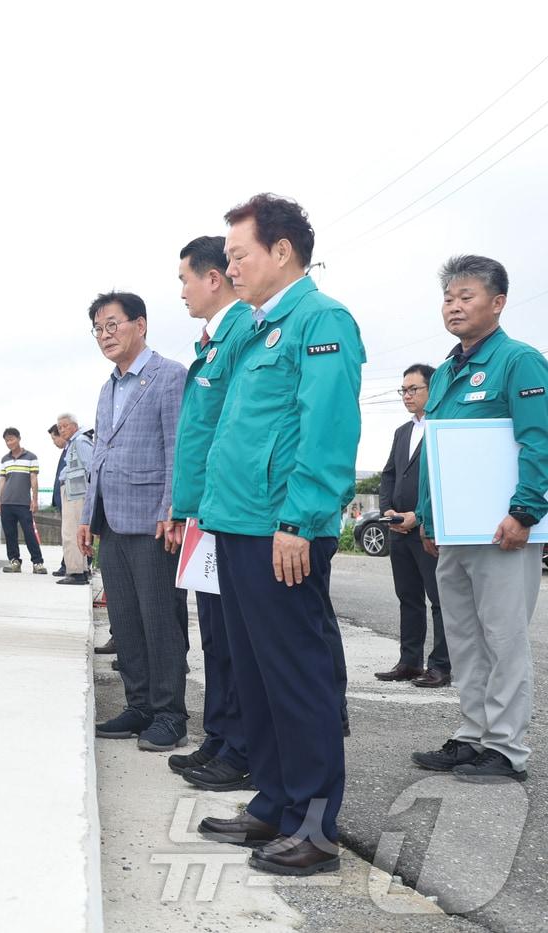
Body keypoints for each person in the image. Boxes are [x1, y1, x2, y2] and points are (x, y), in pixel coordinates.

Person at [194, 194, 364, 877]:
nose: (230, 266)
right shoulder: (259, 328)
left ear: (282, 251)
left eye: (239, 254)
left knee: (297, 677)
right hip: (236, 526)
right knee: (257, 676)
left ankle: (316, 826)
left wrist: (300, 519)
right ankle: (274, 798)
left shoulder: (320, 320)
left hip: (280, 531)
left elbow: (325, 428)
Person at [411, 255, 548, 782]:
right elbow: (437, 453)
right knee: (463, 637)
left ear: (498, 302)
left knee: (503, 637)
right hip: (454, 531)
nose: (454, 306)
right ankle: (472, 735)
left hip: (503, 532)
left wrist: (524, 511)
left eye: (466, 296)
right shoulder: (446, 370)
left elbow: (539, 440)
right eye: (448, 297)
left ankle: (506, 749)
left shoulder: (520, 361)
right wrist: (429, 518)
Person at [77, 291, 189, 751]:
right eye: (98, 329)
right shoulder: (108, 387)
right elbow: (99, 457)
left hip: (152, 521)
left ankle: (169, 714)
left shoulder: (168, 377)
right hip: (112, 520)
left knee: (160, 619)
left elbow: (177, 449)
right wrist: (88, 516)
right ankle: (139, 704)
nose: (105, 335)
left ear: (140, 325)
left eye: (113, 325)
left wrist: (172, 509)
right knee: (123, 622)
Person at [166, 235, 256, 793]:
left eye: (184, 279)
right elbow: (196, 436)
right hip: (206, 513)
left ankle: (241, 745)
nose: (181, 291)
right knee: (217, 635)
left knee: (238, 637)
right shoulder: (212, 344)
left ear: (213, 278)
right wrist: (184, 508)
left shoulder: (242, 331)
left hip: (231, 511)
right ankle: (221, 735)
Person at [375, 363, 451, 688]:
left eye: (413, 389)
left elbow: (444, 479)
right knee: (408, 596)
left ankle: (441, 666)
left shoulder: (442, 426)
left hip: (426, 529)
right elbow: (389, 473)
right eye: (403, 390)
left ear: (431, 390)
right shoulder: (402, 431)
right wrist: (388, 509)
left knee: (439, 600)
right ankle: (409, 662)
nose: (406, 395)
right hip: (398, 528)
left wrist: (418, 517)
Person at [0, 427, 46, 574]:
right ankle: (14, 562)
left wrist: (35, 500)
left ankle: (38, 563)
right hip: (6, 503)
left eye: (11, 439)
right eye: (6, 441)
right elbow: (2, 480)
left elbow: (34, 479)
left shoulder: (31, 457)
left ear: (18, 438)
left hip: (24, 503)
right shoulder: (5, 459)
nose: (9, 443)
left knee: (30, 534)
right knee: (10, 535)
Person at [56, 413, 92, 586]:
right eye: (60, 427)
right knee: (76, 532)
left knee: (70, 532)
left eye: (65, 426)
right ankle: (81, 570)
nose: (62, 430)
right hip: (74, 491)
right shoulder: (75, 443)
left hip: (76, 493)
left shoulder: (80, 442)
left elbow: (91, 468)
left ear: (75, 426)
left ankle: (76, 572)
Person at [48, 423, 68, 576]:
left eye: (54, 439)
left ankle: (67, 565)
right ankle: (67, 564)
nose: (54, 442)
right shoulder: (66, 451)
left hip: (69, 498)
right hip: (64, 499)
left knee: (70, 534)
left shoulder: (73, 449)